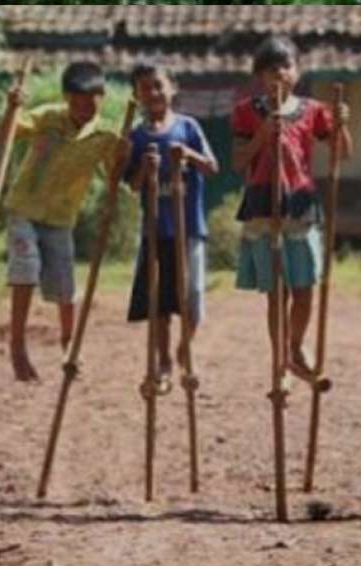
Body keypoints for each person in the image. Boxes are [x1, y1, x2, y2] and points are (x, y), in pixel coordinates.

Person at [0, 61, 129, 381]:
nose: (84, 109)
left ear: (102, 97)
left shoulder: (105, 137)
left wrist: (124, 156)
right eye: (78, 101)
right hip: (24, 209)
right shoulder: (48, 117)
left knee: (65, 286)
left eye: (92, 101)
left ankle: (70, 344)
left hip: (60, 219)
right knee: (26, 266)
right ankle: (17, 347)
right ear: (66, 98)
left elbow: (116, 178)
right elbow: (7, 136)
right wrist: (11, 109)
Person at [231, 35, 353, 379]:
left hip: (299, 204)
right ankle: (280, 360)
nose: (279, 75)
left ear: (297, 71)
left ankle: (296, 346)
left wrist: (342, 124)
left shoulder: (312, 111)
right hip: (262, 205)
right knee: (276, 293)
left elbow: (341, 152)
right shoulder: (246, 111)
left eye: (286, 67)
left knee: (304, 286)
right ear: (260, 77)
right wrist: (261, 136)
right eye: (271, 70)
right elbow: (239, 161)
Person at [125, 62, 218, 381]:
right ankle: (163, 360)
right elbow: (132, 185)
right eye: (144, 88)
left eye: (158, 86)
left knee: (192, 298)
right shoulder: (135, 137)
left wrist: (188, 156)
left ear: (172, 88)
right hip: (156, 231)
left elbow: (211, 167)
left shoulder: (188, 127)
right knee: (160, 303)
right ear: (136, 95)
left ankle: (184, 348)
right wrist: (145, 169)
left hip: (189, 229)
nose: (152, 93)